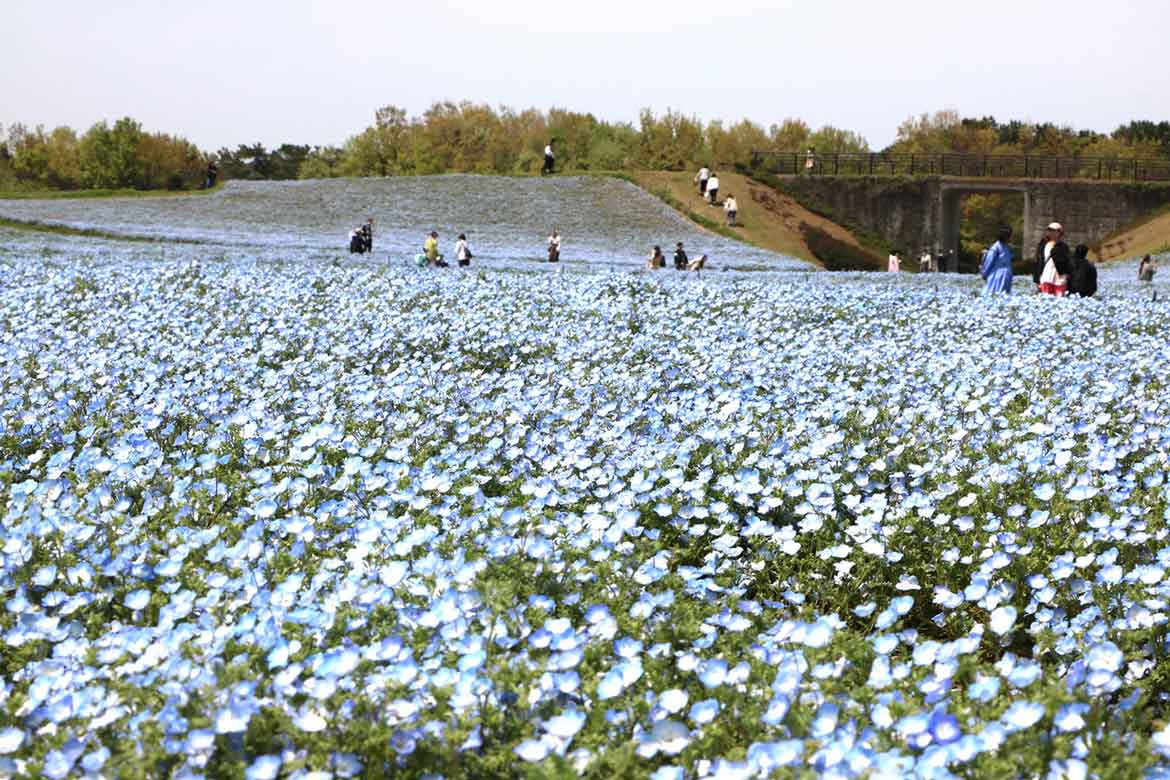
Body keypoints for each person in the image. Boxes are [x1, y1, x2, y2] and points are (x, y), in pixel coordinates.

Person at [1033, 222, 1070, 289]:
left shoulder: (1063, 246)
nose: (1051, 233)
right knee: (1046, 297)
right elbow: (1039, 261)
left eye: (1053, 231)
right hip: (1046, 276)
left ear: (1059, 233)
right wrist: (1037, 279)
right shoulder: (1043, 245)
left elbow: (1066, 262)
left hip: (1059, 279)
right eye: (1049, 230)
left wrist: (1066, 276)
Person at [980, 227, 1014, 294]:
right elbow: (988, 262)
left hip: (1006, 276)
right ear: (1006, 236)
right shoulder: (995, 248)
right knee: (993, 294)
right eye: (1010, 236)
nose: (1012, 238)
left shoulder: (1008, 247)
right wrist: (984, 273)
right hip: (996, 276)